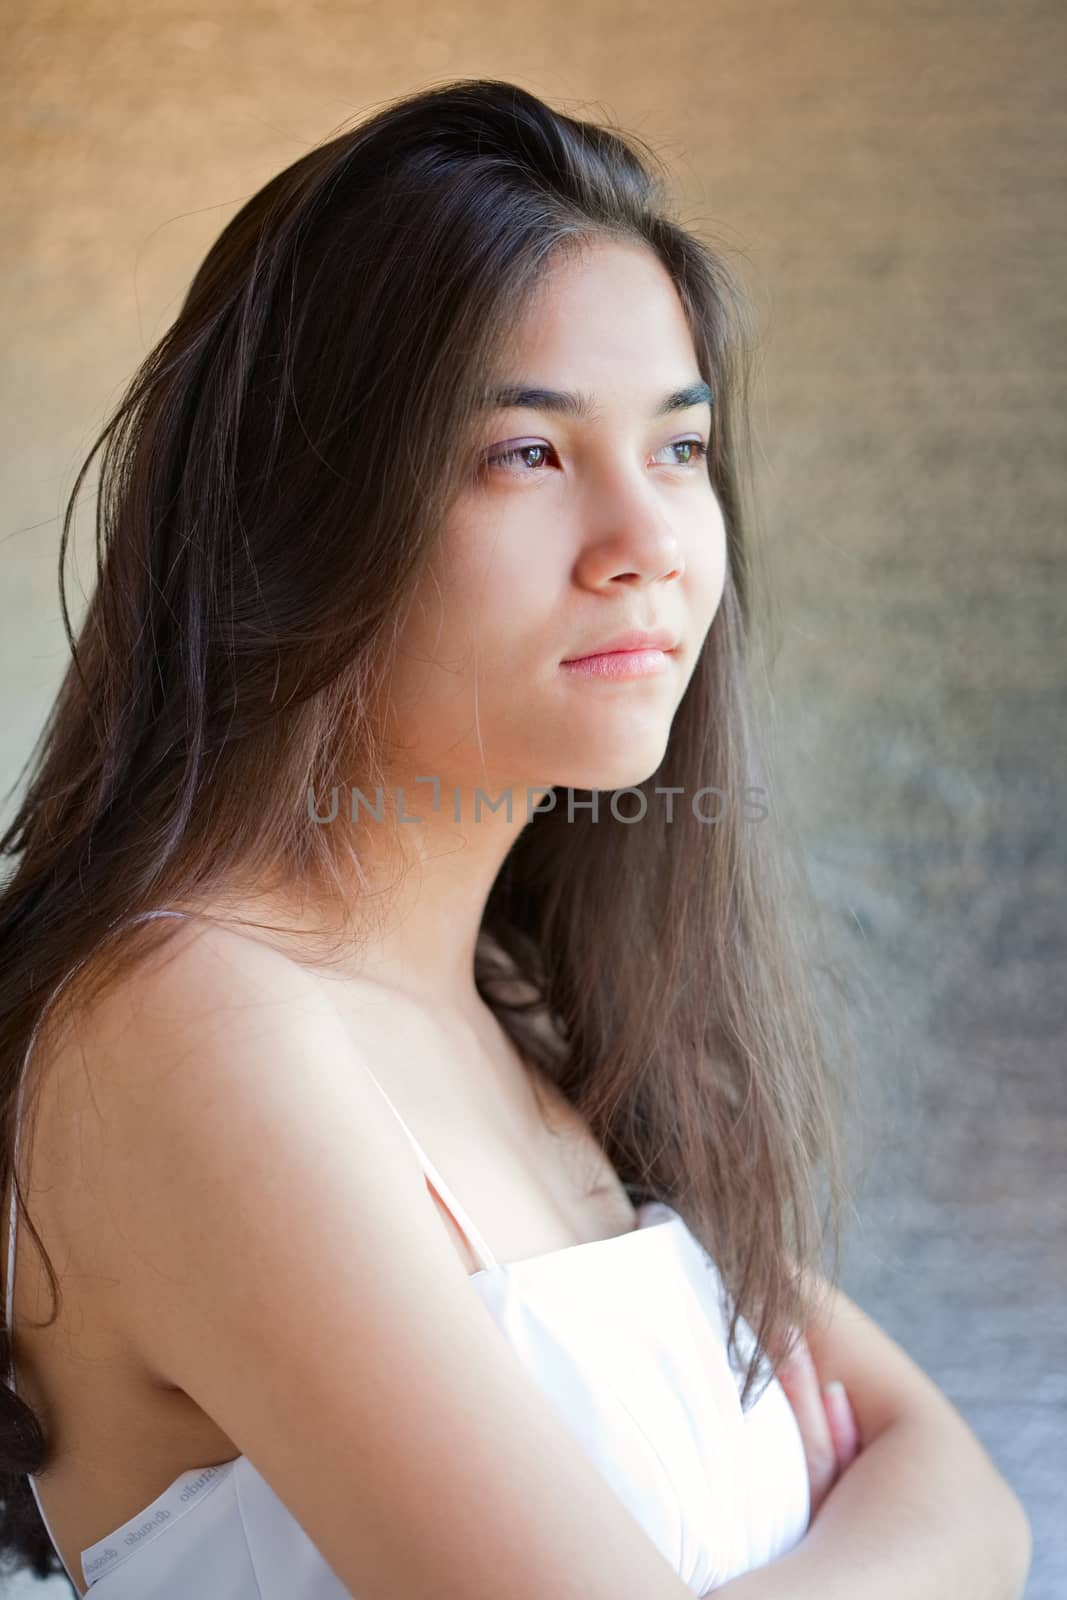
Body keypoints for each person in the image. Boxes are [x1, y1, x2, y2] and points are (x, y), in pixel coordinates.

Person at [0, 76, 1029, 1600]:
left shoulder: (540, 1021)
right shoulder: (187, 1031)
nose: (648, 547)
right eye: (529, 456)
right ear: (311, 511)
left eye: (678, 450)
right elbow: (933, 1523)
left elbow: (979, 1500)